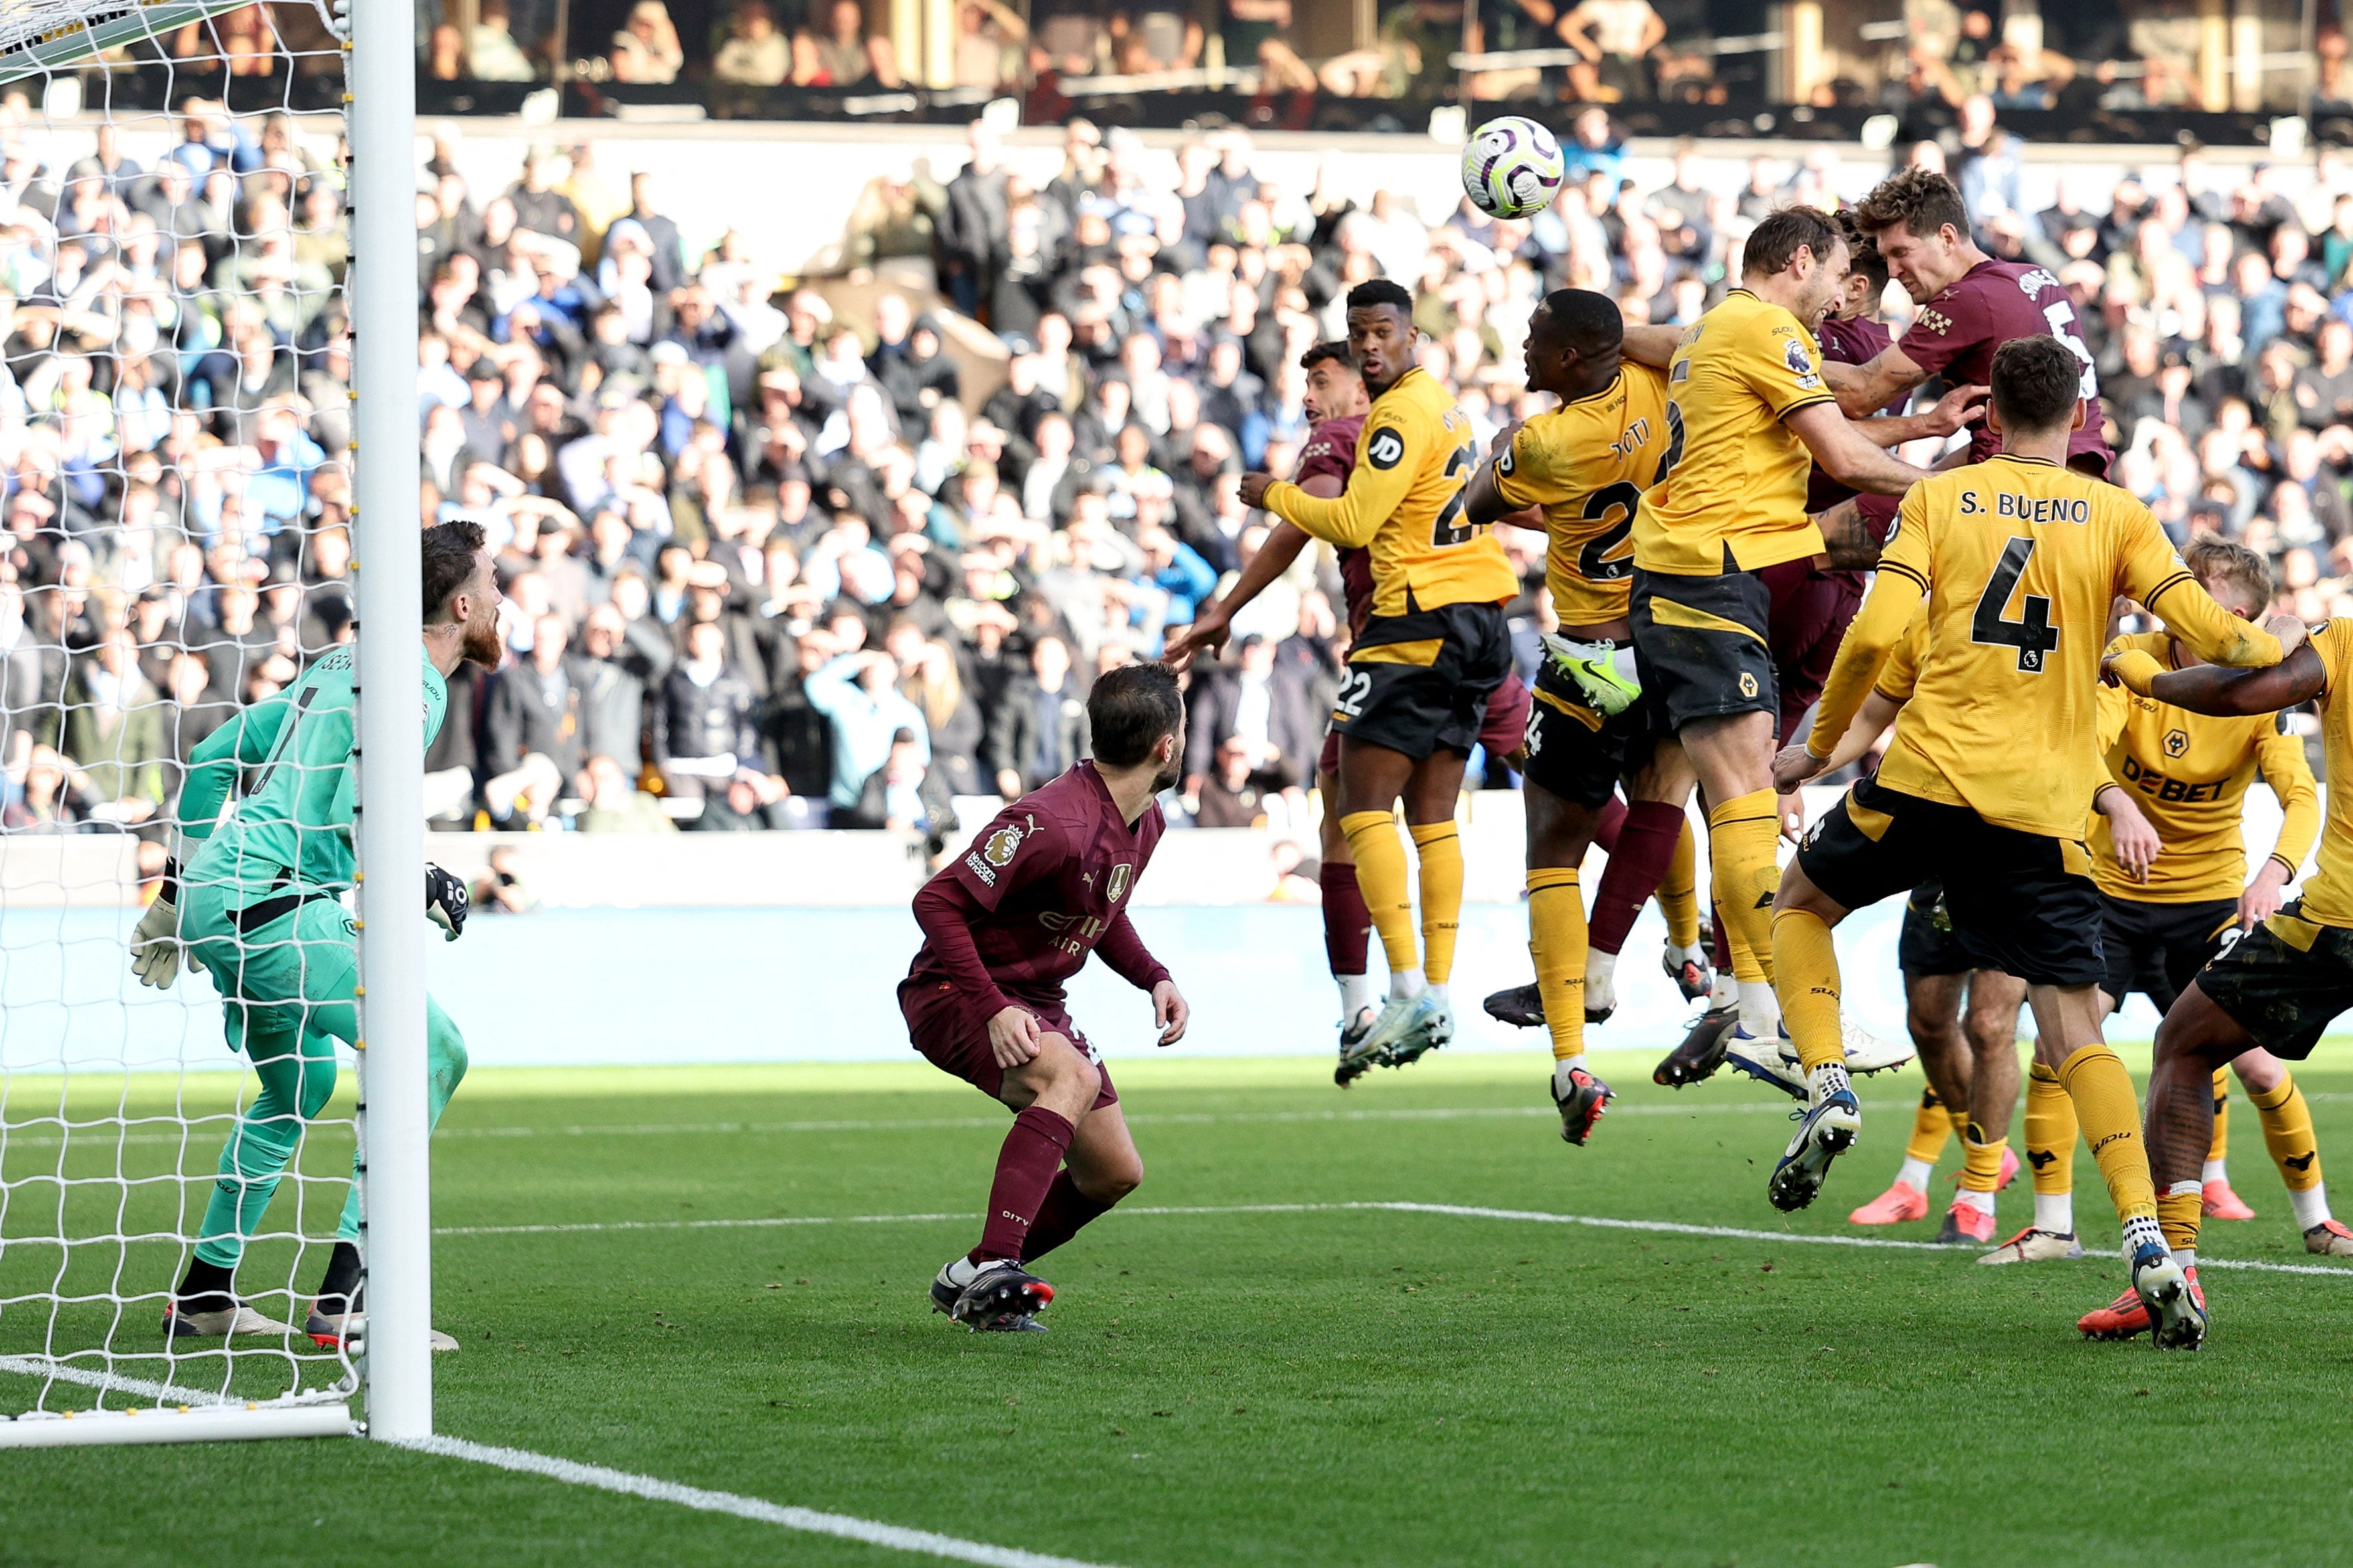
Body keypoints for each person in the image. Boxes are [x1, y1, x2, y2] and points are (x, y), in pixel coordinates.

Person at [1772, 336, 2296, 1347]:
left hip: (1924, 778)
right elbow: (2224, 637)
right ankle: (2143, 1236)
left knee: (1800, 902)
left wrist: (1817, 751)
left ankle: (1828, 1081)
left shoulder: (1938, 499)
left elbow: (1878, 637)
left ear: (1990, 416)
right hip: (2046, 809)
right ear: (2078, 415)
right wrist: (2274, 660)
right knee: (2073, 1027)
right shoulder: (2118, 515)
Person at [1612, 207, 1965, 1085]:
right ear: (1799, 260)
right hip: (1712, 575)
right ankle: (1772, 1012)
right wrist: (1961, 495)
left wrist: (1917, 437)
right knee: (1740, 798)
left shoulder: (1721, 329)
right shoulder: (1766, 325)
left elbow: (1823, 434)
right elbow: (1842, 460)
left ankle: (1762, 1011)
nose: (1838, 290)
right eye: (1836, 269)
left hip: (1698, 573)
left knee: (1737, 797)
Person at [132, 520, 497, 1350]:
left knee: (295, 1090)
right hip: (277, 899)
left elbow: (217, 755)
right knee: (435, 1053)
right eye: (497, 581)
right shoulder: (417, 684)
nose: (504, 596)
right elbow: (365, 801)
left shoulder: (333, 664)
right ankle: (349, 1298)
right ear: (465, 603)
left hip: (223, 898)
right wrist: (421, 875)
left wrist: (176, 890)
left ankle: (205, 1291)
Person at [1177, 341, 1532, 1065]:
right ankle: (1674, 928)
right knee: (1518, 785)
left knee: (1350, 805)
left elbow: (1307, 526)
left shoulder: (1345, 435)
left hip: (1402, 639)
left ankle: (1380, 998)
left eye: (1320, 377)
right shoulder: (1439, 421)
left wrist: (1229, 599)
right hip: (1476, 627)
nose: (1307, 393)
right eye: (1302, 379)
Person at [2089, 545, 2353, 1344]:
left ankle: (2175, 1263)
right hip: (2122, 895)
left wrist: (2146, 679)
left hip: (2329, 916)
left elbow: (2247, 694)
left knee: (2182, 1042)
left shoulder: (2339, 642)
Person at [1449, 289, 1684, 1143]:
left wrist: (1506, 448)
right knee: (1665, 794)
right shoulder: (1661, 386)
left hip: (1589, 654)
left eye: (1537, 340)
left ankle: (1570, 1057)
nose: (1522, 345)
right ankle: (1692, 949)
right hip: (1668, 637)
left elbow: (1475, 502)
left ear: (1575, 360)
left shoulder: (1548, 439)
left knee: (1551, 845)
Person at [901, 662, 1190, 1332]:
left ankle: (972, 1276)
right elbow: (936, 901)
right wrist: (993, 1006)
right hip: (954, 990)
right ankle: (1000, 1266)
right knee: (1070, 1075)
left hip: (1035, 998)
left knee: (1113, 1171)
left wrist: (1153, 975)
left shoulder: (1145, 821)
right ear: (1165, 746)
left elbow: (1100, 909)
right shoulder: (1047, 821)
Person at [1803, 609, 2032, 1245]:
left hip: (2020, 842)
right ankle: (1981, 1150)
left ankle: (1978, 1190)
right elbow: (1876, 706)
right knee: (1929, 1024)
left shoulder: (2046, 624)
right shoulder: (1928, 625)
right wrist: (1810, 761)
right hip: (1936, 838)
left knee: (1988, 1025)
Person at [1817, 167, 2111, 562]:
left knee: (1809, 546)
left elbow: (1858, 394)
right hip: (2082, 497)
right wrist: (1929, 477)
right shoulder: (2037, 277)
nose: (1892, 271)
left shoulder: (1969, 300)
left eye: (1901, 252)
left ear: (1948, 238)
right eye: (1886, 257)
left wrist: (1770, 349)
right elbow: (1997, 444)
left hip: (2009, 504)